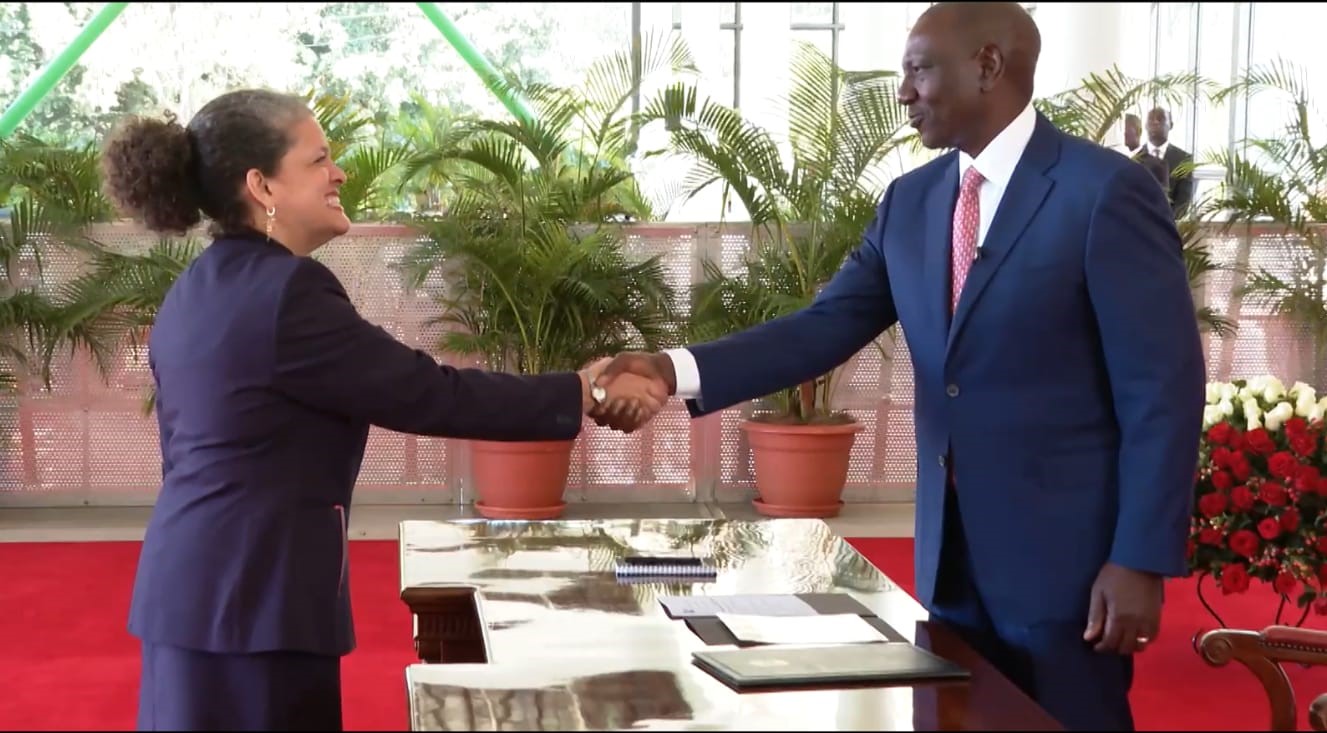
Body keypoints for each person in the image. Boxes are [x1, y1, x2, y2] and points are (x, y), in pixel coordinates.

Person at [596, 3, 1205, 730]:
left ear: (987, 65)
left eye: (918, 69)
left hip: (1068, 572)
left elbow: (1161, 392)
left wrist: (1139, 558)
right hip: (948, 564)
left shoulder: (1103, 192)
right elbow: (822, 328)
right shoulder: (910, 202)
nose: (903, 92)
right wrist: (671, 369)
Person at [99, 88, 663, 732]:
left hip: (189, 588)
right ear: (262, 185)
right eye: (319, 160)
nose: (339, 173)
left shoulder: (194, 288)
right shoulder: (288, 292)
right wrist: (580, 391)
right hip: (258, 599)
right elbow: (423, 392)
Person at [1137, 106, 1195, 217]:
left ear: (1171, 125)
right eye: (1151, 119)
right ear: (1145, 125)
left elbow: (1183, 201)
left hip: (1171, 223)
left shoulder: (1184, 159)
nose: (1155, 123)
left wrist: (1166, 221)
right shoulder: (1135, 160)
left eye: (1160, 119)